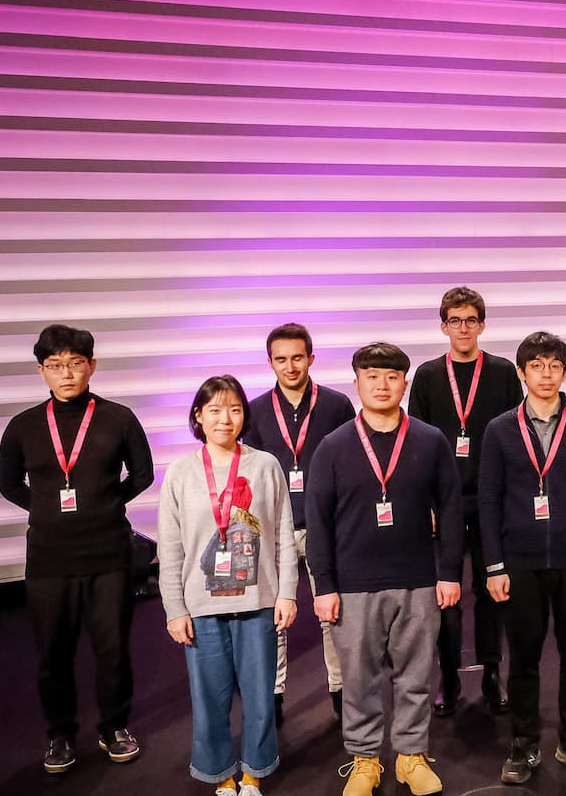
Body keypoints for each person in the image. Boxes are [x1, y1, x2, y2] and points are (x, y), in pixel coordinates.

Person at [306, 343, 464, 796]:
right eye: (371, 375)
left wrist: (449, 572)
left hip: (418, 579)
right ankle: (365, 760)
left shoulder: (430, 440)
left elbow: (451, 510)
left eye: (391, 376)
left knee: (416, 675)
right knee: (359, 679)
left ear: (405, 383)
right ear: (356, 382)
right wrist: (325, 585)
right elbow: (316, 521)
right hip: (353, 585)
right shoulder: (333, 446)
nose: (381, 384)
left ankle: (411, 756)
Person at [0, 324, 155, 774]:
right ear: (41, 371)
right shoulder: (23, 425)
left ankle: (114, 727)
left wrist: (104, 504)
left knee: (112, 648)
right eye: (55, 365)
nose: (66, 373)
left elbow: (141, 475)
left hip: (108, 555)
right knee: (53, 652)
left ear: (92, 366)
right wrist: (47, 509)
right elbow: (9, 484)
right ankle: (60, 734)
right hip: (49, 558)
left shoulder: (118, 418)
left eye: (75, 363)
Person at [478, 332, 566, 783]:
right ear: (522, 372)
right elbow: (489, 500)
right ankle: (524, 743)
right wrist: (494, 565)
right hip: (520, 562)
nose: (546, 373)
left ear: (564, 371)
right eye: (537, 365)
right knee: (524, 657)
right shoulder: (499, 429)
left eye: (555, 365)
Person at [158, 376, 298, 796]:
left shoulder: (265, 465)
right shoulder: (181, 472)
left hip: (258, 601)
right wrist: (174, 609)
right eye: (215, 410)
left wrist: (287, 592)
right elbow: (170, 547)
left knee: (260, 697)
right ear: (198, 417)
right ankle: (220, 773)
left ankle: (254, 770)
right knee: (209, 700)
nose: (225, 418)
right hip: (201, 606)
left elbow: (284, 536)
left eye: (234, 409)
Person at [408, 287, 524, 716]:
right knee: (447, 597)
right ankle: (450, 676)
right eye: (455, 320)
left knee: (494, 592)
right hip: (443, 506)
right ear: (443, 326)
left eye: (471, 320)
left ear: (482, 325)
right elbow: (415, 445)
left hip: (491, 502)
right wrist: (425, 503)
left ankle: (493, 672)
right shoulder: (427, 376)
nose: (463, 328)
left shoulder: (502, 372)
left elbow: (516, 440)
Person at [242, 323, 355, 723]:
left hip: (326, 527)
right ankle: (272, 698)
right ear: (270, 362)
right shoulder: (252, 411)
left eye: (297, 357)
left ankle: (342, 694)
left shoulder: (337, 406)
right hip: (275, 531)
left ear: (311, 357)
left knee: (331, 615)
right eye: (280, 359)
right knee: (274, 618)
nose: (290, 366)